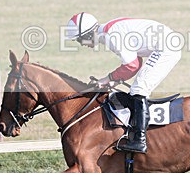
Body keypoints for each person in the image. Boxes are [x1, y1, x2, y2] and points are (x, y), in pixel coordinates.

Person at [64, 12, 182, 154]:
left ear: (88, 35)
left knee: (139, 88)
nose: (81, 44)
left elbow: (132, 65)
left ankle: (140, 141)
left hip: (166, 48)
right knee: (137, 88)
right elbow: (136, 62)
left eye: (80, 40)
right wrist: (113, 81)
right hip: (166, 43)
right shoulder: (108, 31)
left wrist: (108, 79)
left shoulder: (110, 36)